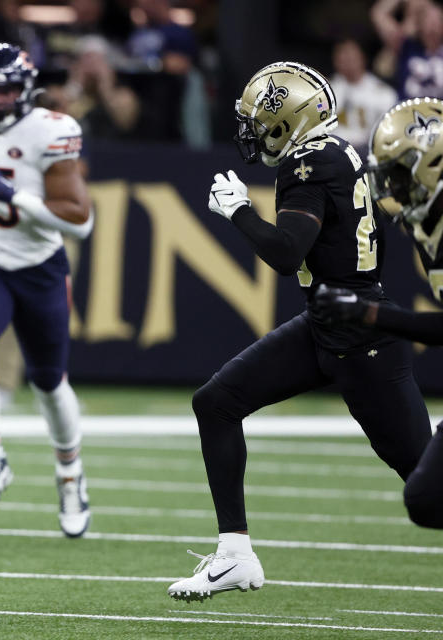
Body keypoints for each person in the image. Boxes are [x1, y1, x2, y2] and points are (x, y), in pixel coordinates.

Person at [167, 61, 432, 601]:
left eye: (259, 121)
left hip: (363, 340)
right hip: (327, 324)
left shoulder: (308, 162)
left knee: (430, 489)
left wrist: (239, 212)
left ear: (287, 119)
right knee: (216, 402)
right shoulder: (338, 150)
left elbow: (288, 253)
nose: (252, 133)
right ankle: (234, 555)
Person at [0, 43, 94, 537]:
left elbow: (81, 221)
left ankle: (70, 475)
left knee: (49, 383)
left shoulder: (50, 132)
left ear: (27, 91)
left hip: (39, 266)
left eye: (8, 90)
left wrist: (18, 199)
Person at [315, 96, 443, 529]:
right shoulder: (429, 222)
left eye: (398, 173)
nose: (391, 187)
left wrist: (370, 315)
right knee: (426, 498)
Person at [329, 39, 398, 151]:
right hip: (334, 151)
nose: (348, 62)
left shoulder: (383, 92)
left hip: (368, 152)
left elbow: (387, 131)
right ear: (336, 61)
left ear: (362, 58)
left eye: (352, 57)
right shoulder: (326, 92)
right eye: (343, 58)